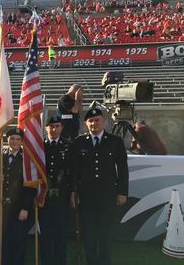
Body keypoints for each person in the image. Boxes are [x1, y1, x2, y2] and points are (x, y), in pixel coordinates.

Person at [72, 108, 129, 265]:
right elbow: (74, 171)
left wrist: (122, 192)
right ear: (85, 123)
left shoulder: (115, 141)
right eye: (90, 121)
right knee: (89, 236)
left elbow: (123, 169)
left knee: (105, 235)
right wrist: (73, 193)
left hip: (108, 197)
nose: (94, 123)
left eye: (97, 120)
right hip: (86, 198)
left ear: (104, 121)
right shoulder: (78, 142)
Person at [39, 116, 73, 265]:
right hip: (44, 197)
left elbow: (72, 171)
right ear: (46, 128)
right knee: (45, 234)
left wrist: (72, 193)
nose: (54, 129)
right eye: (51, 126)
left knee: (60, 234)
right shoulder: (39, 146)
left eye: (57, 126)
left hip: (62, 197)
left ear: (62, 127)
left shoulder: (69, 146)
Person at [1, 128, 36, 265]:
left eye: (17, 139)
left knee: (18, 241)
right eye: (12, 138)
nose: (14, 141)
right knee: (5, 241)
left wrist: (26, 207)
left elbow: (30, 185)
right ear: (7, 140)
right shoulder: (1, 156)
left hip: (20, 208)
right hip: (5, 207)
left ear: (22, 142)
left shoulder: (26, 159)